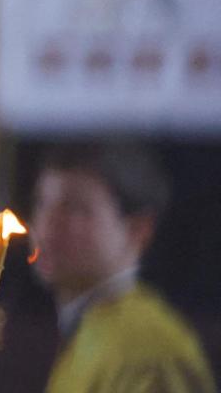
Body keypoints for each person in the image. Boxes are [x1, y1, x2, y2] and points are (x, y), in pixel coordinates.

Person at [30, 143, 215, 393]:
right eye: (42, 203)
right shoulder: (88, 328)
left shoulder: (148, 350)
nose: (46, 225)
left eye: (74, 208)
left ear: (137, 230)